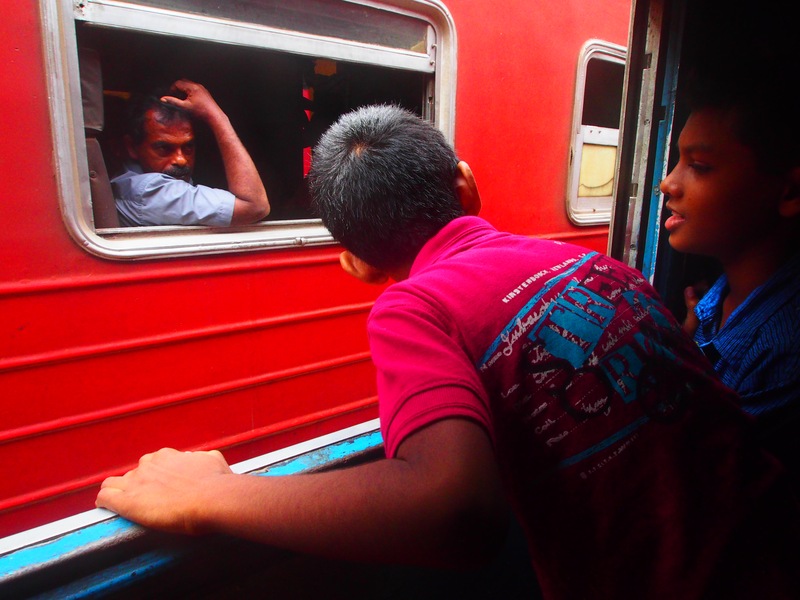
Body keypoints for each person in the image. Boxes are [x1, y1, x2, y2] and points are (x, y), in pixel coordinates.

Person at [97, 105, 798, 599]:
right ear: (467, 185)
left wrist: (214, 495)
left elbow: (456, 516)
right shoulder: (596, 265)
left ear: (358, 267)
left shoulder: (413, 306)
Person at [660, 61, 800, 472]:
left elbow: (704, 468)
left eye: (699, 167)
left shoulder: (783, 352)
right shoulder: (717, 297)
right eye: (678, 161)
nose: (668, 183)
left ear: (790, 192)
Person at [113, 79, 270, 227]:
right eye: (164, 148)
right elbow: (255, 206)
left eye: (188, 147)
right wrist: (216, 115)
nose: (181, 160)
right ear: (131, 147)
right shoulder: (147, 192)